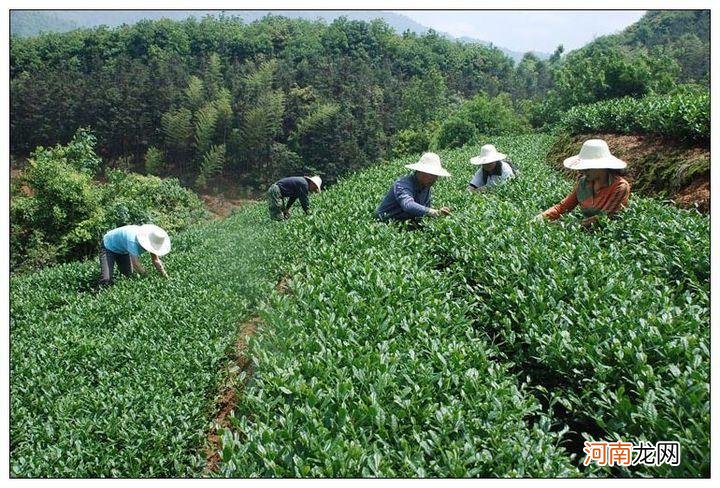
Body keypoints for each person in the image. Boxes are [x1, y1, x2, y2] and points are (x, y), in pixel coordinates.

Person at [534, 139, 631, 228]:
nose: (583, 171)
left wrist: (568, 226)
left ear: (602, 166)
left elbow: (604, 218)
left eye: (588, 167)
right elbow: (563, 207)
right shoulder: (583, 184)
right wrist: (541, 218)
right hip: (584, 230)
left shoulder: (620, 186)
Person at [375, 152, 452, 222]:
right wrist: (434, 212)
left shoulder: (426, 187)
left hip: (405, 223)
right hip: (385, 223)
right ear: (423, 173)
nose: (435, 179)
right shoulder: (402, 184)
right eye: (433, 175)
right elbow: (408, 205)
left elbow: (424, 210)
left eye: (436, 176)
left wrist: (440, 212)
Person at [99, 224, 170, 286]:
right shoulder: (132, 240)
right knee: (106, 279)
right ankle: (98, 297)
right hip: (109, 246)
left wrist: (165, 276)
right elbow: (136, 264)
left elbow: (156, 260)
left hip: (123, 250)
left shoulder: (153, 240)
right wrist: (148, 278)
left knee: (128, 276)